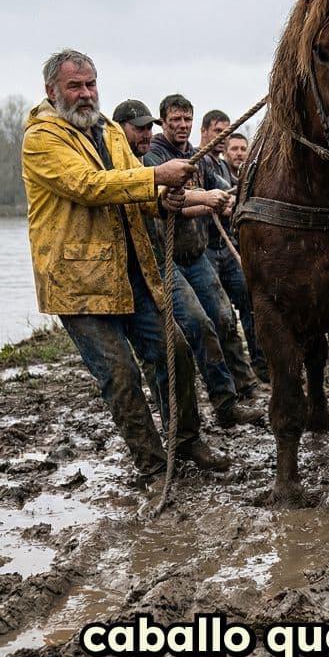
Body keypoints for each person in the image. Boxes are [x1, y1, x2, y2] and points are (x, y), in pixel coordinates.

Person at [22, 52, 230, 492]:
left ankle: (187, 440)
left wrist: (165, 198)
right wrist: (158, 176)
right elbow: (88, 186)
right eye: (75, 86)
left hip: (132, 270)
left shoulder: (110, 132)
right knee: (120, 375)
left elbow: (136, 184)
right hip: (78, 283)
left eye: (91, 84)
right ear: (51, 92)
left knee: (174, 351)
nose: (86, 94)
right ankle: (153, 466)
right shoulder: (41, 139)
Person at [113, 101, 260, 426]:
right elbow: (170, 200)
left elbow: (216, 189)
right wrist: (207, 201)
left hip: (197, 255)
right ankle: (212, 407)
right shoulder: (152, 159)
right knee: (194, 327)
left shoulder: (197, 155)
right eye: (175, 119)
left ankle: (237, 394)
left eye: (187, 119)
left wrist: (228, 198)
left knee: (221, 319)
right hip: (166, 260)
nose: (182, 125)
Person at [200, 110, 267, 380]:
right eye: (219, 132)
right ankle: (231, 374)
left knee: (250, 301)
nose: (238, 152)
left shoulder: (234, 171)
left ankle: (260, 364)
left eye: (242, 147)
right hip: (207, 248)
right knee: (219, 315)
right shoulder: (203, 163)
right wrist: (217, 202)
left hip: (229, 249)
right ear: (205, 132)